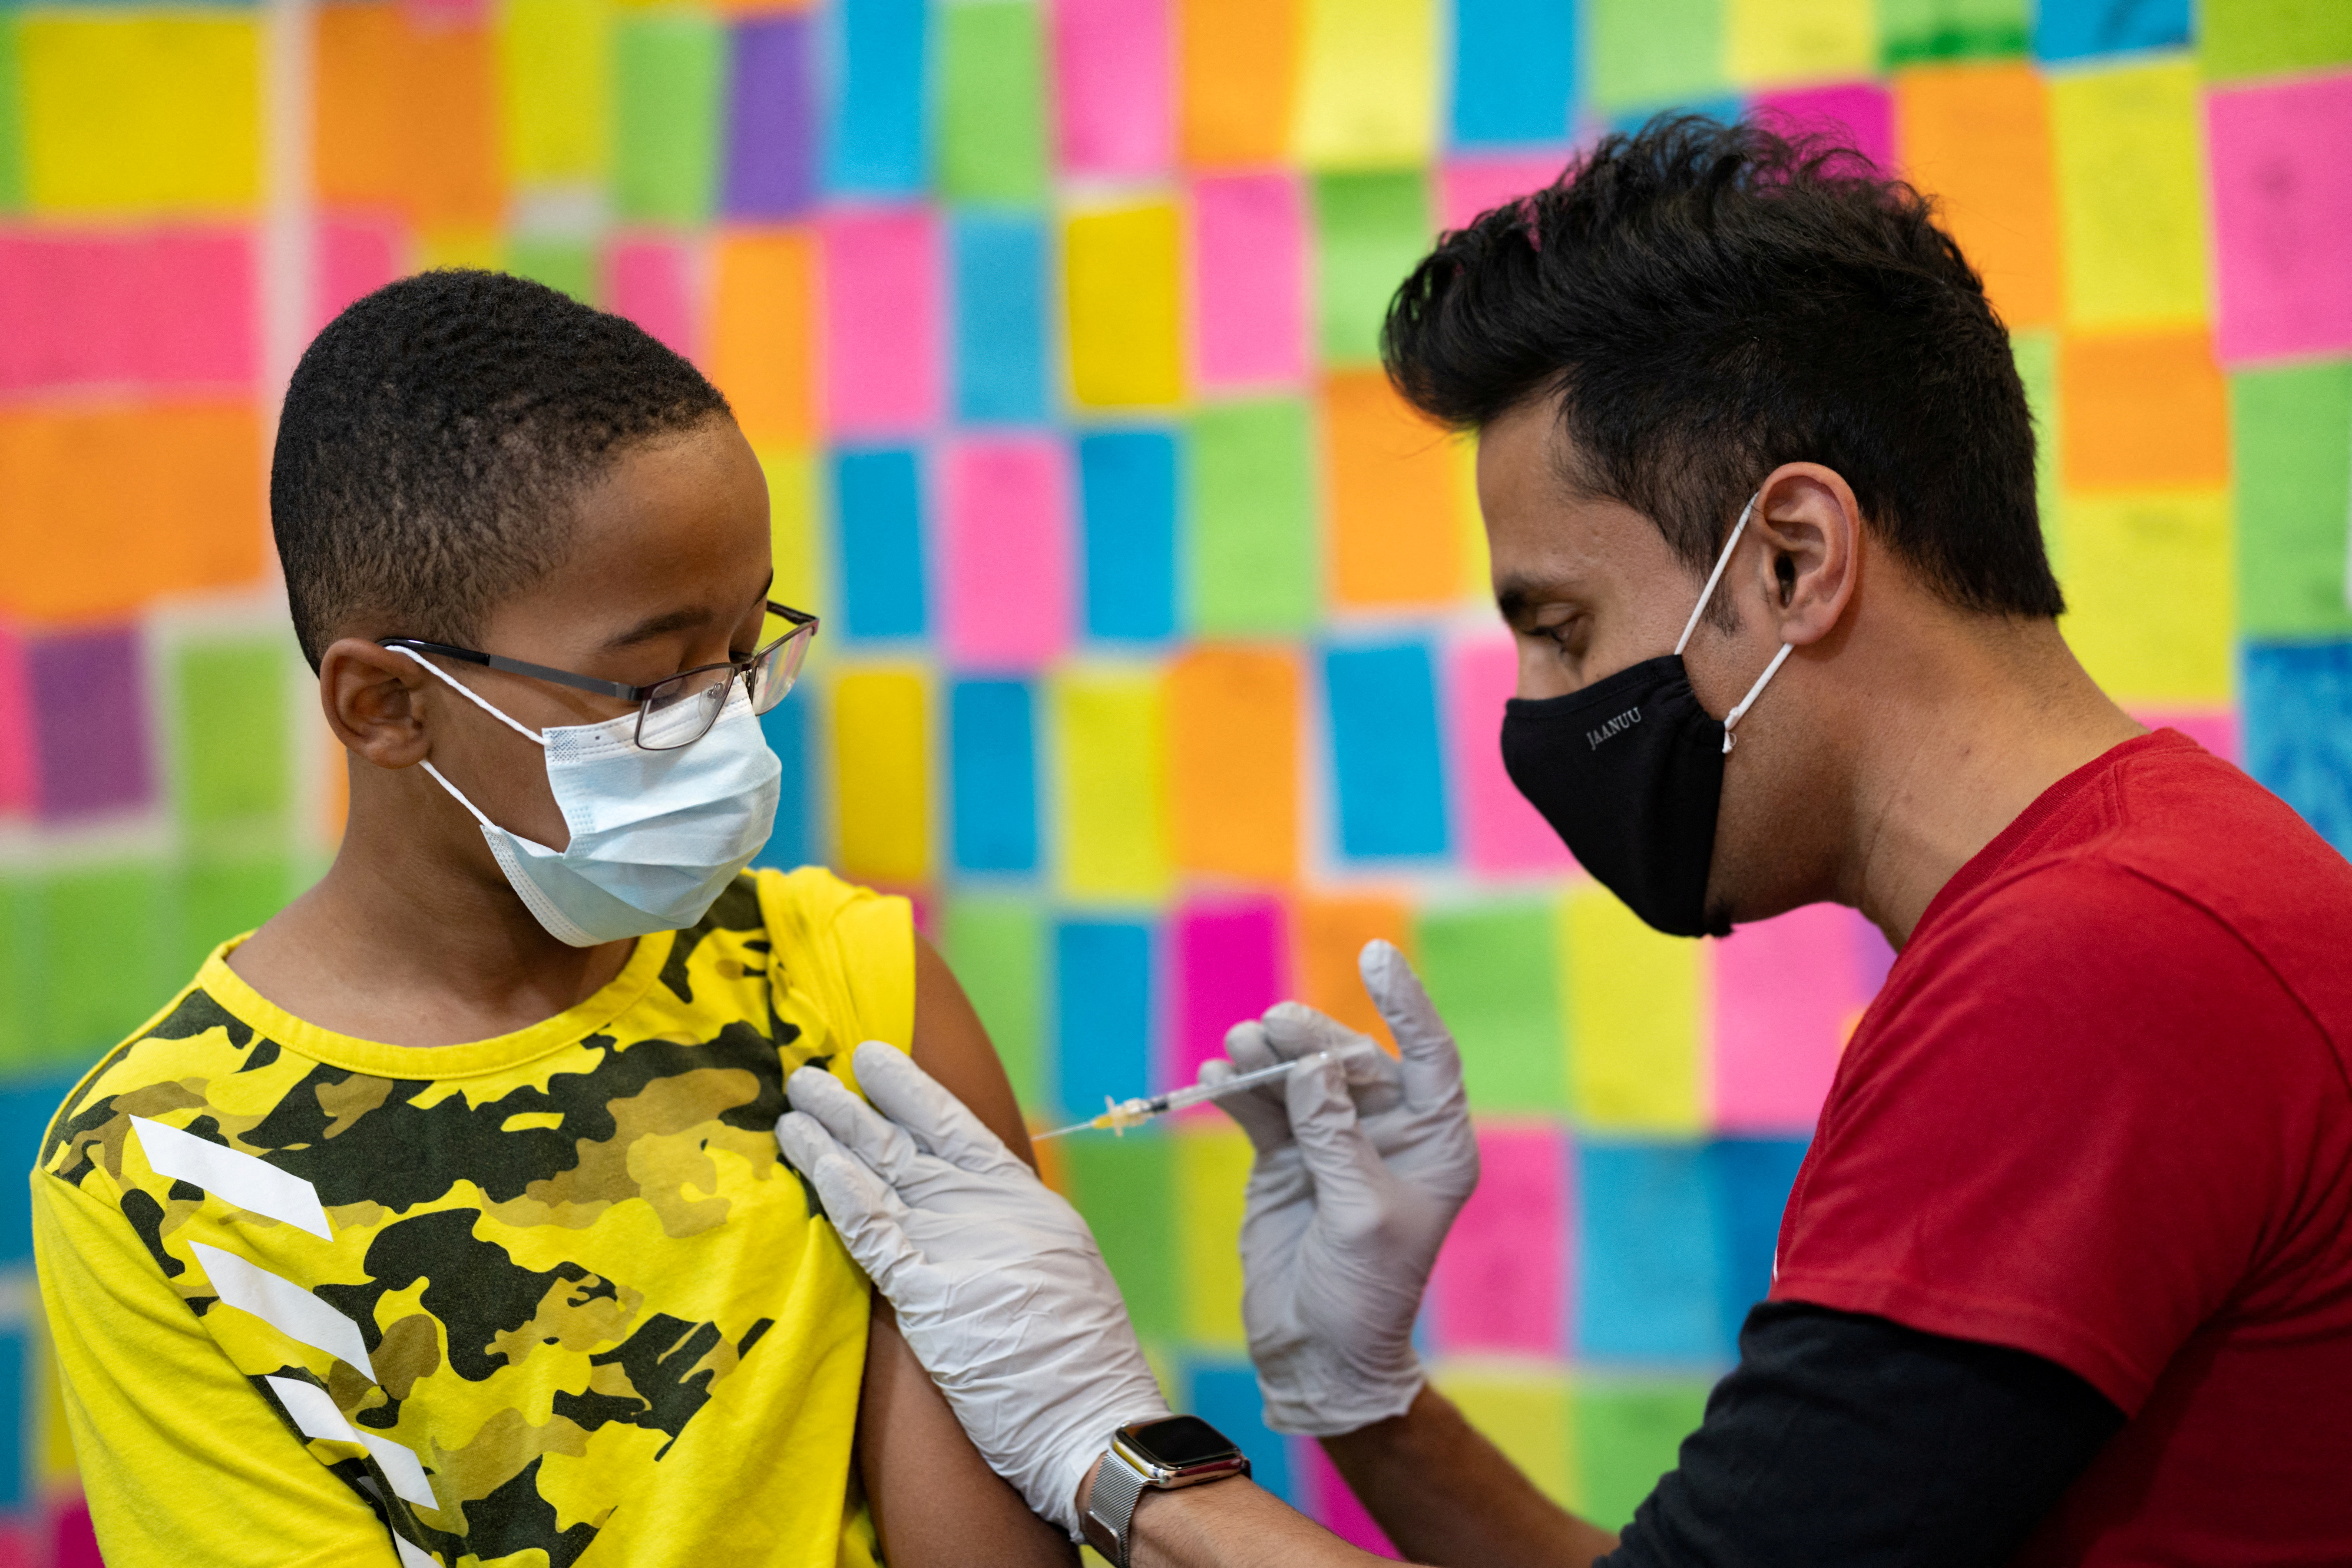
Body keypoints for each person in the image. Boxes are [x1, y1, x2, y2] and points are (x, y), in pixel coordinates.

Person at [774, 119, 2352, 1568]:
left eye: (1560, 625)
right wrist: (1370, 1404)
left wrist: (1109, 1452)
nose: (1537, 709)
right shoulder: (2150, 884)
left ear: (1795, 560)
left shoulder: (2093, 967)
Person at [30, 272, 1075, 1568]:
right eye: (649, 684)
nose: (728, 726)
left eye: (749, 651)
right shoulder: (162, 1170)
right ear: (384, 705)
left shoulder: (839, 980)